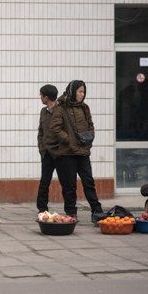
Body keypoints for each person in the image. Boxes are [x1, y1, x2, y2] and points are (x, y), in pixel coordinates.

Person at [50, 80, 104, 222]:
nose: (82, 94)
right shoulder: (61, 108)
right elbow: (55, 128)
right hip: (67, 153)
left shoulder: (85, 107)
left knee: (88, 182)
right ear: (72, 91)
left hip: (83, 151)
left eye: (83, 92)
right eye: (79, 91)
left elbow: (90, 125)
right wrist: (68, 139)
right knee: (69, 185)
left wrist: (90, 138)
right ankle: (71, 212)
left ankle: (96, 210)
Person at [36, 84, 61, 213]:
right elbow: (41, 132)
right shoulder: (43, 111)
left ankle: (70, 209)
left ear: (46, 97)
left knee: (66, 182)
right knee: (44, 181)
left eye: (41, 95)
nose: (40, 97)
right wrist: (42, 148)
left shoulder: (61, 110)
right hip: (46, 152)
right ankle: (42, 208)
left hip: (60, 153)